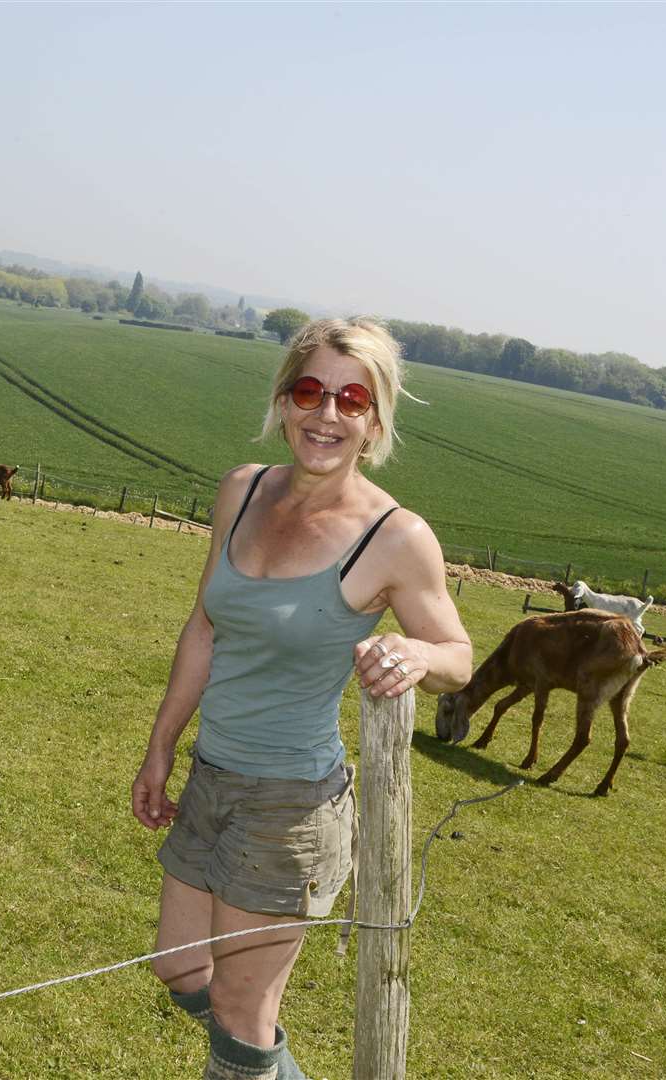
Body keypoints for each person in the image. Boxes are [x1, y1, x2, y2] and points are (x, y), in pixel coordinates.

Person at [131, 317, 472, 1079]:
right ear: (284, 400)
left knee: (240, 1014)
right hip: (212, 776)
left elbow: (460, 657)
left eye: (352, 399)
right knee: (180, 969)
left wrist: (416, 651)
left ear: (376, 418)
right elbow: (203, 628)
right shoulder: (242, 490)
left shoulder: (394, 535)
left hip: (292, 804)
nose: (327, 414)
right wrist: (161, 747)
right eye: (310, 391)